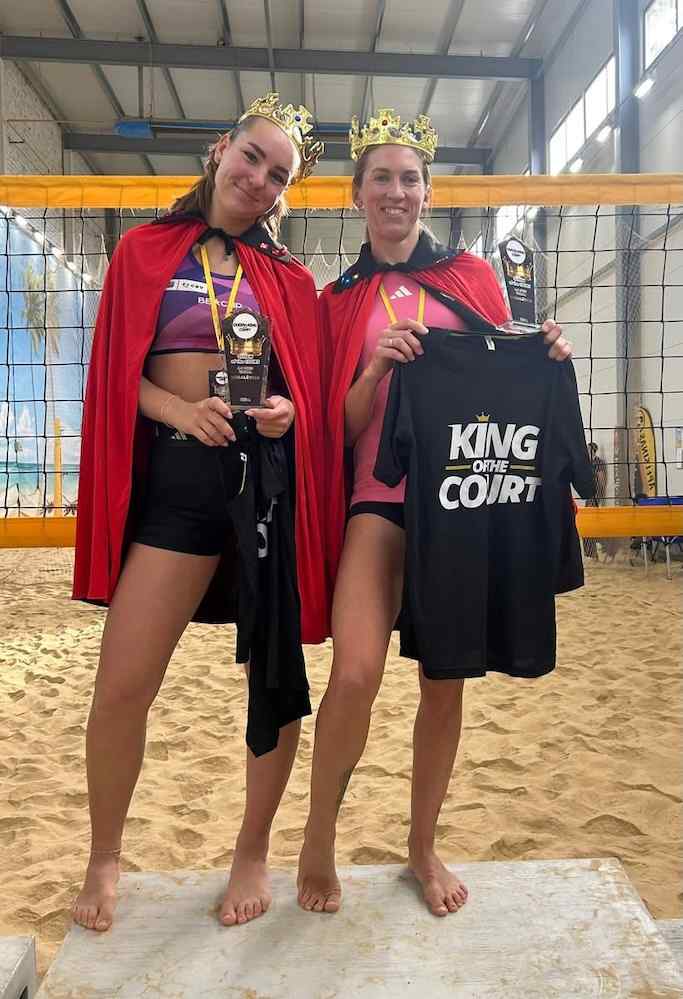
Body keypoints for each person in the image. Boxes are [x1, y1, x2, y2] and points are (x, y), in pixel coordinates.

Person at [297, 108, 573, 917]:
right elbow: (334, 430)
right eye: (380, 178)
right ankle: (318, 835)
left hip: (460, 503)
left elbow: (510, 377)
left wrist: (547, 354)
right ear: (356, 194)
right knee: (354, 673)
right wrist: (374, 370)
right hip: (378, 499)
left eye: (409, 178)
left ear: (428, 192)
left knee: (443, 682)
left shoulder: (473, 278)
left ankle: (421, 845)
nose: (396, 191)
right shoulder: (336, 301)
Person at [71, 93, 328, 931]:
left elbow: (303, 390)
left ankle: (252, 850)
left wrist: (287, 410)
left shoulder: (289, 279)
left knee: (274, 684)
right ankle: (104, 853)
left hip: (262, 484)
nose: (259, 179)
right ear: (221, 150)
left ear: (284, 193)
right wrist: (180, 410)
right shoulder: (145, 251)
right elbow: (118, 377)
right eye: (252, 157)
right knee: (122, 685)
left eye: (277, 175)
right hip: (179, 482)